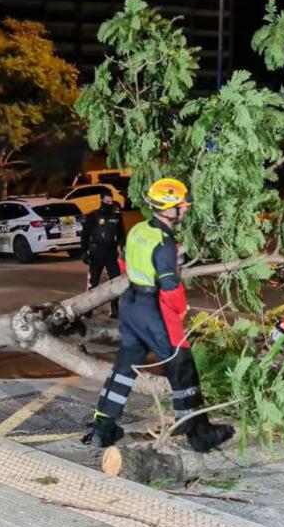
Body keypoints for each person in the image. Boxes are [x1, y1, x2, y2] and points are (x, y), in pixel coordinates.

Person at [83, 178, 235, 453]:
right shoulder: (164, 243)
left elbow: (123, 262)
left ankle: (103, 427)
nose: (186, 208)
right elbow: (170, 285)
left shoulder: (139, 230)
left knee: (126, 364)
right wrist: (179, 309)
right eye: (181, 204)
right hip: (154, 308)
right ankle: (198, 434)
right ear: (168, 209)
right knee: (182, 365)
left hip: (130, 305)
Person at [81, 189, 124, 318]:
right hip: (96, 253)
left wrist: (124, 248)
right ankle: (88, 309)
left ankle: (115, 308)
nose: (109, 203)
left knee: (115, 281)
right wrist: (84, 252)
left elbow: (121, 234)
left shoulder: (116, 216)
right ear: (101, 200)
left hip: (111, 252)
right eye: (107, 201)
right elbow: (85, 235)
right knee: (93, 282)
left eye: (111, 201)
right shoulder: (93, 216)